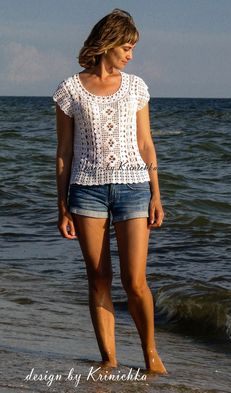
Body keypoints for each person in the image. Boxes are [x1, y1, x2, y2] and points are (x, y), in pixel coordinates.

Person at [53, 9, 167, 374]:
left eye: (133, 48)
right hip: (86, 191)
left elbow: (146, 144)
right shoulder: (70, 89)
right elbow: (64, 151)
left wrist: (156, 194)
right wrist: (62, 206)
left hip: (134, 188)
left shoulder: (136, 87)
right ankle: (110, 360)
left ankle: (150, 354)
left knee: (135, 281)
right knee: (99, 279)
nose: (131, 54)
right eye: (128, 46)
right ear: (109, 43)